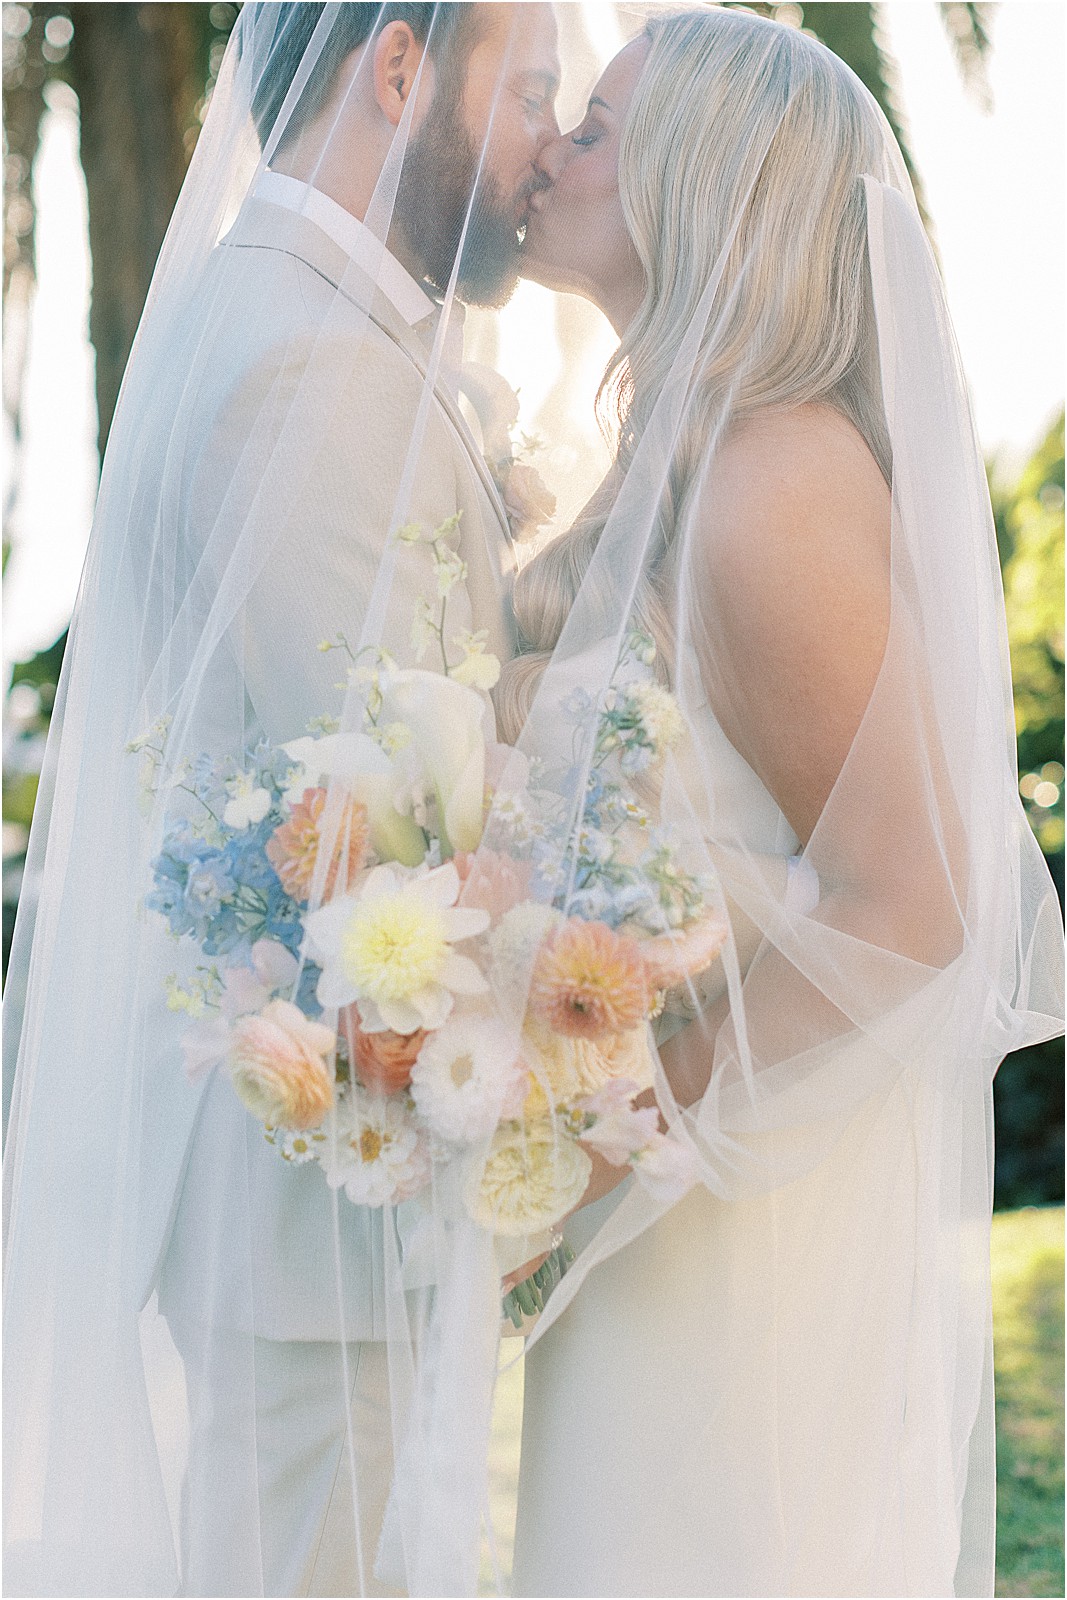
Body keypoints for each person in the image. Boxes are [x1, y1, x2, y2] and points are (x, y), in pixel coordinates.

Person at [498, 9, 1065, 1598]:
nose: (552, 148)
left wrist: (609, 1132)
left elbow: (919, 907)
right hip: (675, 1213)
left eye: (597, 127)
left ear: (705, 186)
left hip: (747, 1230)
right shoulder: (672, 467)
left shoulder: (771, 476)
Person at [3, 5, 559, 1596]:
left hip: (305, 1209)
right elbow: (407, 827)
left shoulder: (290, 320)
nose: (540, 149)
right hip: (309, 1221)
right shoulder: (312, 367)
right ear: (399, 69)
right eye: (526, 94)